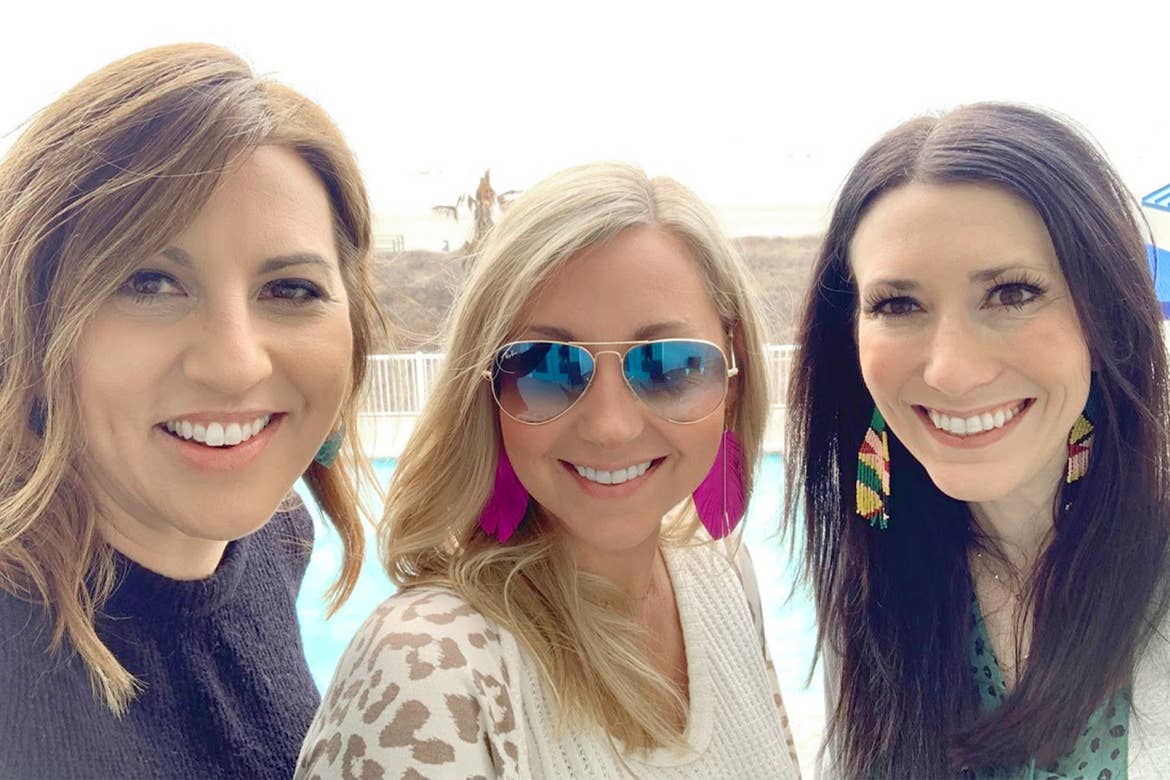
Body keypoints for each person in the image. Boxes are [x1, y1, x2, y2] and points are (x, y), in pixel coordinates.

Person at [298, 162, 801, 778]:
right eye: (546, 367)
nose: (610, 426)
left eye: (668, 366)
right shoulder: (428, 669)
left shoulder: (725, 579)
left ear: (733, 371)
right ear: (488, 392)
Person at [0, 44, 384, 778]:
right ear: (32, 319)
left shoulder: (278, 538)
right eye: (148, 282)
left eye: (291, 289)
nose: (235, 363)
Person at [786, 102, 1170, 778]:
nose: (952, 372)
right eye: (898, 305)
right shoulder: (874, 575)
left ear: (1104, 317)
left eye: (1012, 293)